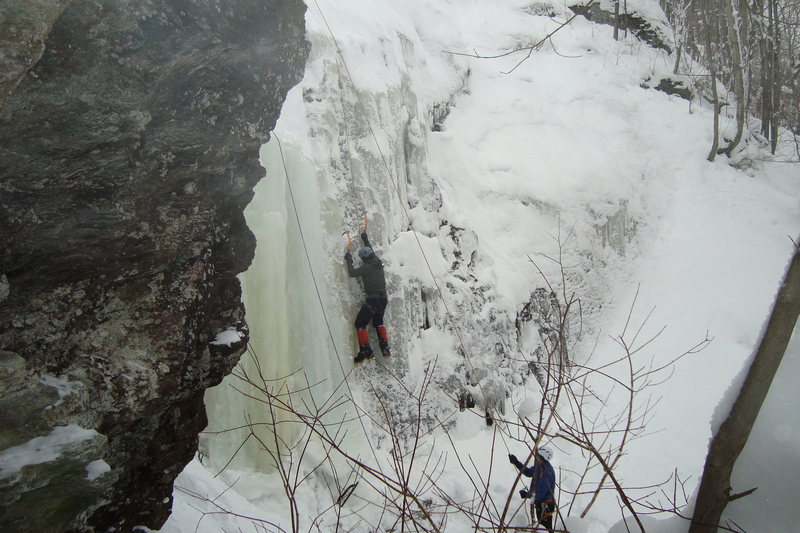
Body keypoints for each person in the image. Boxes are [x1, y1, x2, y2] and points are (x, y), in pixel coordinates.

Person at [344, 231, 391, 363]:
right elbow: (370, 249)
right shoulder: (377, 262)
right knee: (378, 322)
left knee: (360, 323)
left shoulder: (366, 267)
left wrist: (348, 259)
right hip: (383, 299)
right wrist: (365, 238)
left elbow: (352, 273)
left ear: (364, 259)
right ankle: (385, 348)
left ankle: (365, 350)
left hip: (373, 300)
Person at [508, 447, 556, 532]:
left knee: (545, 529)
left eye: (538, 456)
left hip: (545, 506)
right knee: (542, 529)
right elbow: (528, 472)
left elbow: (540, 494)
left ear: (542, 457)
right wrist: (516, 463)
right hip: (541, 505)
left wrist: (527, 494)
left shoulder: (546, 472)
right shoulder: (539, 466)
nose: (536, 457)